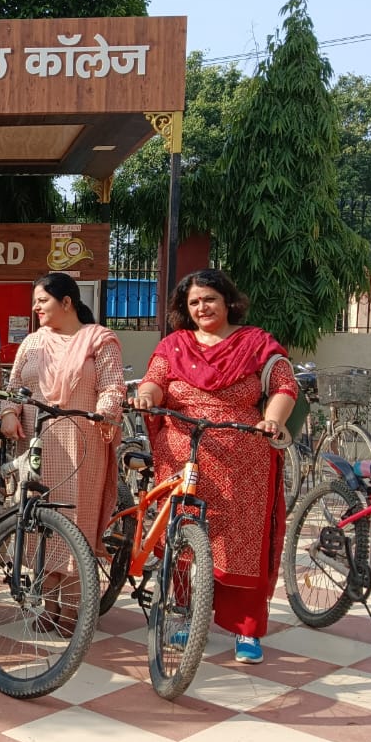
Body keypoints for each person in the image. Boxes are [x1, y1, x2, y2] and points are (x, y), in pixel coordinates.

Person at [132, 268, 296, 665]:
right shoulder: (174, 345)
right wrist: (145, 395)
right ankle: (192, 614)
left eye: (209, 299)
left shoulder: (256, 343)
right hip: (182, 452)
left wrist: (272, 420)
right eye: (194, 302)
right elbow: (155, 381)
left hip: (244, 455)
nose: (202, 307)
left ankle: (247, 630)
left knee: (242, 543)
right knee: (185, 536)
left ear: (227, 302)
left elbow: (284, 386)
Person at [0, 273, 126, 566]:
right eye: (35, 302)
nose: (36, 308)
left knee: (75, 518)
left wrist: (104, 412)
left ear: (66, 302)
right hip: (35, 443)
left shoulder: (99, 340)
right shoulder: (32, 343)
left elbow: (112, 386)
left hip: (81, 442)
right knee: (34, 515)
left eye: (42, 301)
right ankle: (44, 602)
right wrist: (8, 413)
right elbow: (15, 388)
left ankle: (72, 607)